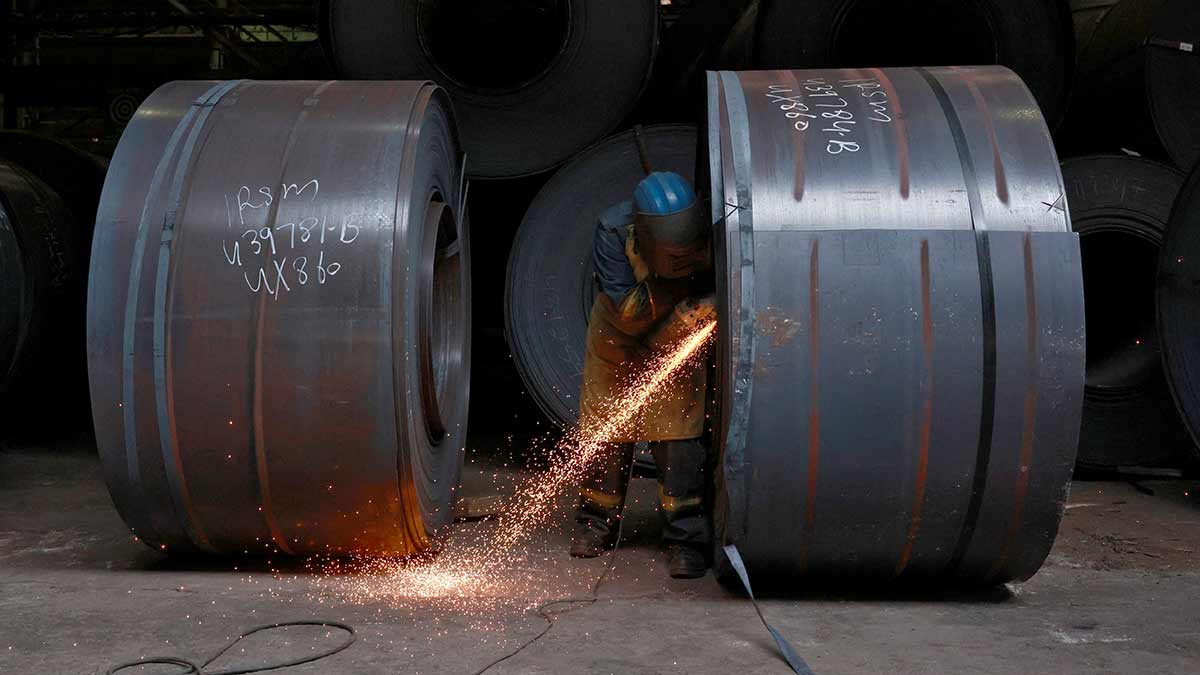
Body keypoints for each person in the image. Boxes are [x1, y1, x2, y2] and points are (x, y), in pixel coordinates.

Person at [570, 170, 715, 579]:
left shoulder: (712, 226)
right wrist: (685, 278)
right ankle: (594, 523)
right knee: (607, 434)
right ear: (645, 234)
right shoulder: (613, 230)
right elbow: (629, 310)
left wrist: (701, 300)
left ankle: (685, 539)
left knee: (680, 440)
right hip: (618, 338)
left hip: (677, 329)